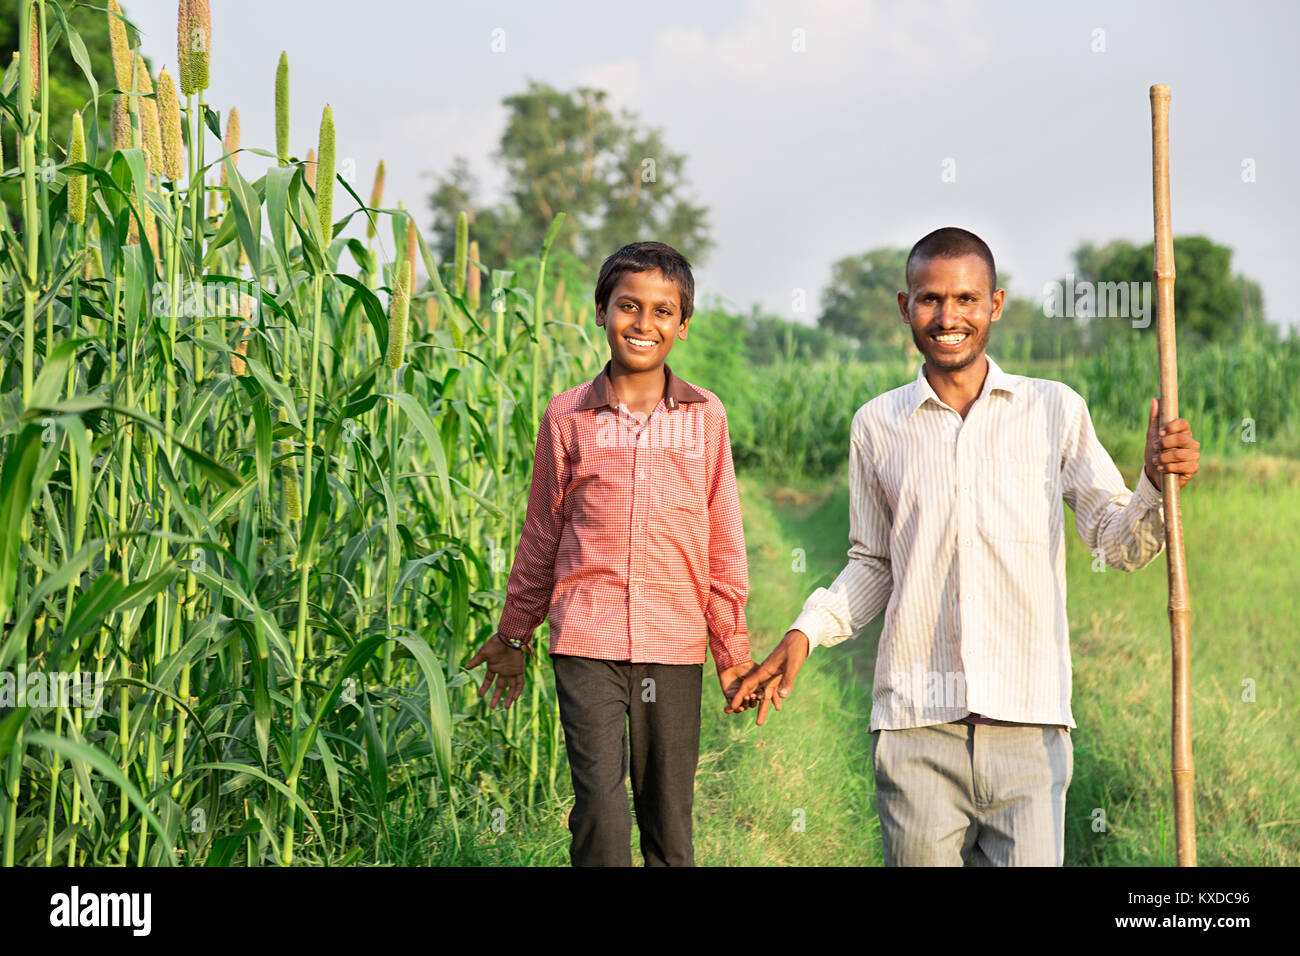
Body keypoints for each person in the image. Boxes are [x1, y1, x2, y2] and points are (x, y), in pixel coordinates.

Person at [729, 226, 1201, 866]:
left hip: (1029, 730)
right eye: (929, 299)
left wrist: (1153, 482)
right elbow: (873, 563)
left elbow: (1117, 543)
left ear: (995, 304)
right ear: (905, 307)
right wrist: (804, 633)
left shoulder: (1052, 411)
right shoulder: (878, 424)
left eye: (966, 300)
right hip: (916, 729)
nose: (948, 317)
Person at [466, 241, 759, 866]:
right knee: (599, 806)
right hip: (586, 640)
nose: (643, 324)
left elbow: (722, 536)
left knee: (667, 815)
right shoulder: (566, 417)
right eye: (628, 305)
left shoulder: (706, 417)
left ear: (682, 326)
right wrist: (513, 636)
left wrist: (731, 650)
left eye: (662, 311)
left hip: (673, 645)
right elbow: (542, 534)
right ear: (601, 311)